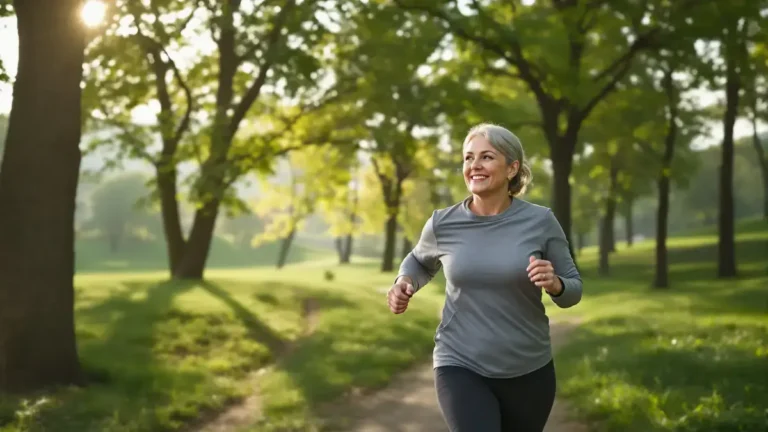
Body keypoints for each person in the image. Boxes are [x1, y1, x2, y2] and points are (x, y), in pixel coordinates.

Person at [386, 123, 582, 432]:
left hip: (529, 369)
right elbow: (418, 262)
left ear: (512, 168)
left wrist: (556, 284)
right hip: (460, 362)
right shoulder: (443, 223)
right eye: (468, 158)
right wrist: (403, 282)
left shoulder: (541, 221)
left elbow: (573, 289)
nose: (474, 165)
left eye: (486, 157)